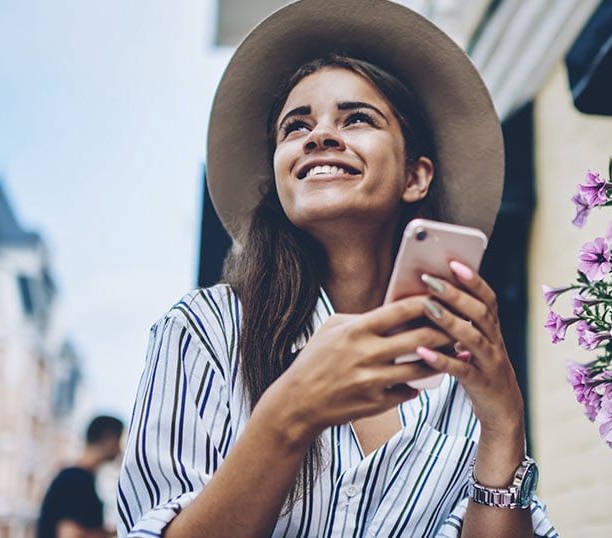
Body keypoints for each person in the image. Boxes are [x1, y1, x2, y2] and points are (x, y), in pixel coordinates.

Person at [115, 1, 556, 536]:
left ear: (415, 177)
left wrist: (505, 422)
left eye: (357, 119)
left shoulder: (457, 367)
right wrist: (291, 412)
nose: (319, 136)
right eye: (295, 127)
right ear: (280, 181)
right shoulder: (202, 332)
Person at [38, 415, 124, 538]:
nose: (120, 450)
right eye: (119, 440)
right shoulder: (75, 479)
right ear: (108, 439)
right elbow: (69, 534)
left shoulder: (76, 477)